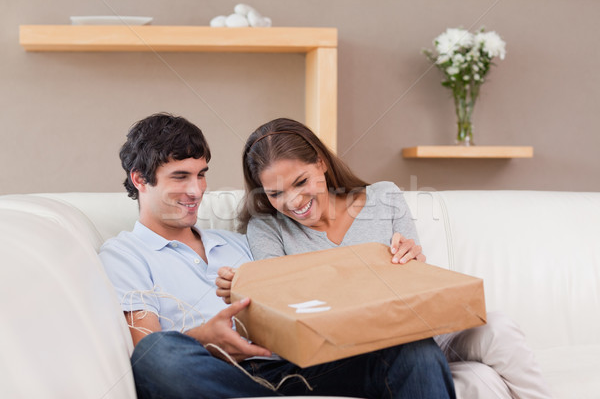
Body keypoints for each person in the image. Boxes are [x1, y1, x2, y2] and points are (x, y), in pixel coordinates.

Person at [99, 112, 456, 399]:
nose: (196, 191)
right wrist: (206, 338)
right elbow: (145, 350)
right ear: (140, 179)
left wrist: (398, 266)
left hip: (294, 367)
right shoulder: (125, 254)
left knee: (415, 349)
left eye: (201, 175)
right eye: (180, 177)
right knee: (160, 354)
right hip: (215, 370)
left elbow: (304, 294)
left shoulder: (237, 242)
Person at [216, 117, 553, 399]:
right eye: (275, 193)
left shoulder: (384, 197)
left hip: (414, 326)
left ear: (320, 162)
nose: (293, 201)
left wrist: (414, 261)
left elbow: (416, 284)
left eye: (301, 182)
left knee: (500, 328)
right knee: (444, 366)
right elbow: (282, 304)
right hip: (355, 353)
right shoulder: (267, 229)